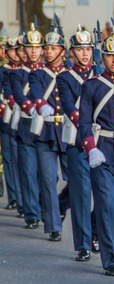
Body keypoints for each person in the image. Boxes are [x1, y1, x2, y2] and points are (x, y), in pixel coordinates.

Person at [79, 27, 114, 277]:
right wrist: (90, 148)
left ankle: (102, 234)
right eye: (110, 56)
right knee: (105, 207)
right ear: (102, 57)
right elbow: (83, 123)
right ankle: (112, 259)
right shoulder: (91, 86)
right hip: (101, 151)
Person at [57, 25, 99, 261]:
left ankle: (94, 230)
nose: (85, 54)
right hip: (79, 140)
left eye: (88, 49)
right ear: (71, 52)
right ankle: (83, 244)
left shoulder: (101, 74)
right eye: (79, 49)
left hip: (104, 141)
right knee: (82, 194)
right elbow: (69, 106)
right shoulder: (64, 78)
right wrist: (86, 128)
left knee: (107, 195)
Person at [28, 26, 69, 242]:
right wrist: (40, 104)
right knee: (47, 178)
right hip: (45, 132)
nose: (49, 52)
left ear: (62, 51)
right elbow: (35, 91)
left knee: (77, 179)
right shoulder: (37, 74)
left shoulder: (70, 74)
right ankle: (54, 226)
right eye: (48, 48)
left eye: (54, 48)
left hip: (68, 132)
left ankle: (61, 204)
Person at [10, 24, 44, 230]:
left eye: (37, 47)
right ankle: (32, 213)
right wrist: (33, 108)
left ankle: (44, 206)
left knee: (50, 175)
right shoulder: (16, 73)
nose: (32, 51)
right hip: (27, 124)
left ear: (42, 49)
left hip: (48, 128)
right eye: (29, 47)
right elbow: (18, 95)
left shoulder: (49, 72)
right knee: (29, 171)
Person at [0, 36, 24, 217]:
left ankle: (25, 198)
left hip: (25, 118)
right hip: (7, 118)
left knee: (23, 161)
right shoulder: (3, 71)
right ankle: (14, 196)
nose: (16, 54)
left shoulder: (29, 70)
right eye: (12, 51)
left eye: (18, 50)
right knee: (9, 158)